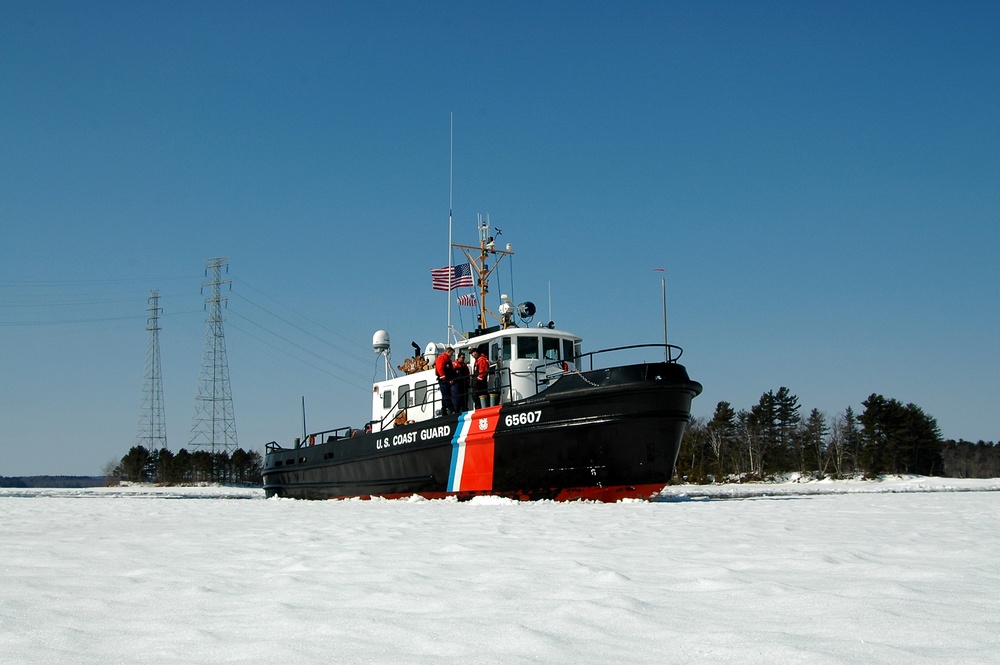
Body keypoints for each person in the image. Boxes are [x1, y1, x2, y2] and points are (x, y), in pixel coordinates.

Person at [435, 346, 457, 415]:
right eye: (451, 353)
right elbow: (439, 368)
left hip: (447, 380)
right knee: (446, 394)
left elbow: (450, 371)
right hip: (443, 380)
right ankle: (450, 408)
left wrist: (451, 379)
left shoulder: (448, 360)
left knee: (446, 394)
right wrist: (443, 377)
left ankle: (444, 409)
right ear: (447, 352)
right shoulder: (442, 358)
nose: (452, 355)